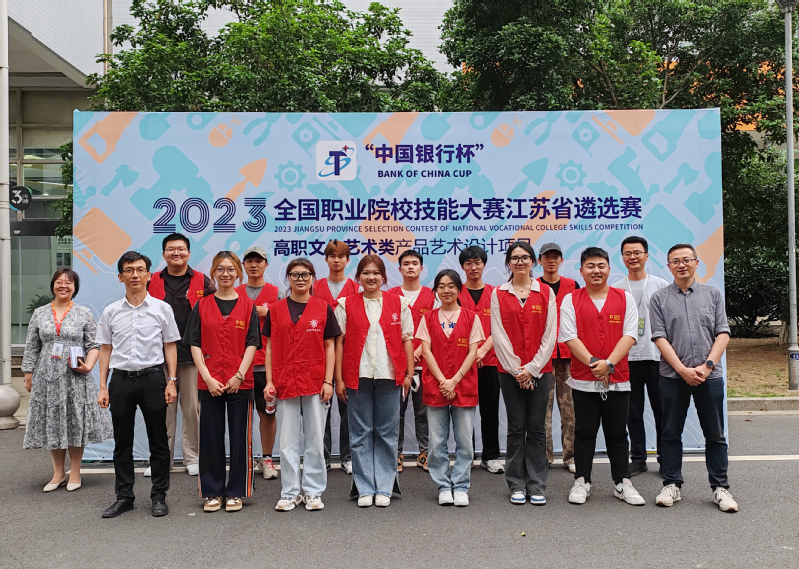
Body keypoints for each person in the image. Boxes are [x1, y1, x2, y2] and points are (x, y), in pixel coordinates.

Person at [650, 244, 736, 512]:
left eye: (686, 259)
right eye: (675, 261)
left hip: (709, 376)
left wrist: (707, 366)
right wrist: (683, 370)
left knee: (715, 433)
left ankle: (720, 487)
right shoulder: (659, 298)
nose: (681, 265)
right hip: (672, 377)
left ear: (696, 263)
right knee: (670, 433)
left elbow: (723, 333)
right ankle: (671, 484)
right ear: (669, 267)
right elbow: (659, 337)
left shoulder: (713, 294)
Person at [96, 251, 181, 518]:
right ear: (120, 277)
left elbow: (170, 346)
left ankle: (159, 496)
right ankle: (124, 497)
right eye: (129, 270)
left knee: (158, 440)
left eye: (140, 270)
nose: (135, 275)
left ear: (149, 275)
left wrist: (171, 380)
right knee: (122, 441)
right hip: (121, 380)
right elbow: (105, 349)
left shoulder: (162, 309)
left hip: (153, 378)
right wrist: (102, 385)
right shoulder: (111, 311)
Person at [559, 247, 645, 507]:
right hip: (583, 380)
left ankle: (622, 482)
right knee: (584, 431)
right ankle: (582, 480)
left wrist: (608, 365)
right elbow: (569, 336)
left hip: (618, 379)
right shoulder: (571, 299)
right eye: (590, 266)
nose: (596, 271)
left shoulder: (624, 298)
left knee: (617, 432)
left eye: (601, 266)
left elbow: (630, 335)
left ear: (609, 269)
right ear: (581, 270)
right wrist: (595, 364)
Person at [22, 268, 113, 492]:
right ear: (53, 285)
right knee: (53, 423)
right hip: (47, 378)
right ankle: (57, 473)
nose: (63, 286)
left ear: (75, 288)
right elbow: (32, 346)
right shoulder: (40, 313)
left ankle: (75, 472)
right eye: (59, 282)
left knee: (74, 423)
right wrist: (28, 374)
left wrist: (88, 366)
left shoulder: (84, 313)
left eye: (68, 283)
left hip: (75, 378)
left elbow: (94, 344)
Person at [334, 255, 415, 508]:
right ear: (358, 277)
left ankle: (384, 487)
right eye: (366, 273)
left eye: (376, 273)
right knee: (360, 433)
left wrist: (409, 374)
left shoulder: (399, 303)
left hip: (389, 376)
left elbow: (407, 339)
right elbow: (339, 343)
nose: (371, 277)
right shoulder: (345, 304)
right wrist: (338, 378)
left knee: (387, 433)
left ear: (383, 277)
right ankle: (365, 487)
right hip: (357, 376)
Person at [184, 251, 261, 513]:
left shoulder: (248, 306)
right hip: (210, 381)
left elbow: (253, 343)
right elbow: (194, 343)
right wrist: (207, 376)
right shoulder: (201, 306)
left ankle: (237, 491)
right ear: (213, 273)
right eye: (220, 269)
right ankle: (212, 492)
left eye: (230, 269)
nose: (225, 274)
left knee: (240, 439)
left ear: (238, 272)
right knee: (210, 438)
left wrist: (239, 375)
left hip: (241, 381)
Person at [264, 258, 341, 511]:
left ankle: (313, 491)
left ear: (312, 278)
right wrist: (269, 381)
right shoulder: (276, 309)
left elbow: (330, 347)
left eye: (305, 274)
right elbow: (270, 347)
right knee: (287, 442)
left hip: (315, 381)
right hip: (285, 381)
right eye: (295, 275)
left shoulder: (323, 307)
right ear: (288, 278)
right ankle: (289, 492)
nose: (300, 279)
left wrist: (328, 380)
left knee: (315, 441)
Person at [490, 241, 557, 506]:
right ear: (508, 263)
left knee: (537, 428)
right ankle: (516, 484)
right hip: (510, 373)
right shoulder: (498, 293)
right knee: (516, 427)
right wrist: (518, 369)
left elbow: (550, 335)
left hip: (540, 371)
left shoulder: (546, 293)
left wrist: (532, 369)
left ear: (533, 262)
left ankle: (537, 484)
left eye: (525, 257)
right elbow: (498, 335)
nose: (520, 262)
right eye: (515, 258)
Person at [146, 233, 215, 477]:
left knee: (191, 410)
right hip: (157, 357)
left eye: (181, 249)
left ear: (189, 253)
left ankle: (192, 457)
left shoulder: (203, 281)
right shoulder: (151, 280)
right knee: (162, 410)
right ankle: (161, 460)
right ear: (163, 254)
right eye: (171, 249)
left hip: (192, 356)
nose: (176, 253)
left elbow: (214, 314)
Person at [417, 270, 484, 507]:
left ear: (459, 289)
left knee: (465, 440)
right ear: (436, 290)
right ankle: (444, 486)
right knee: (436, 441)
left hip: (463, 384)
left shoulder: (471, 318)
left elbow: (473, 353)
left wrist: (454, 380)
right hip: (436, 385)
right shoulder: (427, 318)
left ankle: (461, 485)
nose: (446, 290)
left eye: (451, 286)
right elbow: (426, 352)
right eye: (441, 286)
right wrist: (443, 381)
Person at [612, 236, 669, 476]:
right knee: (632, 413)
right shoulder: (616, 288)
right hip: (627, 359)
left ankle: (666, 459)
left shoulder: (660, 285)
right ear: (622, 258)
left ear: (646, 255)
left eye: (637, 252)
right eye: (628, 253)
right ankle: (638, 458)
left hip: (657, 357)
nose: (632, 257)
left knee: (661, 411)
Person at [236, 246, 282, 481]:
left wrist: (270, 312)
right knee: (240, 416)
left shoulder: (277, 294)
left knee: (267, 413)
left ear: (266, 264)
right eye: (249, 261)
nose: (254, 265)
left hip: (266, 366)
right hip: (239, 366)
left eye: (259, 261)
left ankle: (267, 458)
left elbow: (286, 324)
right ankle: (243, 459)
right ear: (243, 266)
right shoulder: (234, 292)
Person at [314, 239, 359, 474]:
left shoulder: (356, 288)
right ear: (326, 259)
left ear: (348, 260)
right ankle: (322, 457)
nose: (336, 260)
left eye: (341, 256)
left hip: (347, 355)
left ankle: (348, 457)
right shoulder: (315, 286)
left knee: (347, 409)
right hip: (319, 355)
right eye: (332, 256)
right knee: (320, 408)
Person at [388, 249, 434, 472]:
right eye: (406, 263)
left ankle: (426, 452)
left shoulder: (432, 296)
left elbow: (435, 329)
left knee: (423, 412)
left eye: (414, 263)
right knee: (395, 413)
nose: (410, 267)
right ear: (399, 269)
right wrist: (406, 355)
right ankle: (395, 453)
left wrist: (418, 351)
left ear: (421, 268)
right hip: (397, 366)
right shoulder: (391, 296)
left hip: (426, 364)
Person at [458, 246, 502, 474]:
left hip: (490, 360)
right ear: (462, 267)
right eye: (468, 263)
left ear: (484, 265)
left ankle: (491, 456)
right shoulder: (455, 293)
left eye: (477, 262)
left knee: (490, 409)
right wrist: (470, 355)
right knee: (464, 411)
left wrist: (482, 351)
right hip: (462, 362)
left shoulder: (496, 294)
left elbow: (500, 328)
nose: (473, 267)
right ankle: (467, 455)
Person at [537, 242, 578, 474]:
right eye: (546, 257)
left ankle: (571, 457)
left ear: (562, 260)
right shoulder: (533, 287)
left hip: (569, 355)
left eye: (555, 257)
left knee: (569, 408)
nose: (551, 261)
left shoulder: (573, 286)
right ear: (539, 261)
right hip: (542, 356)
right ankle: (544, 457)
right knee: (543, 409)